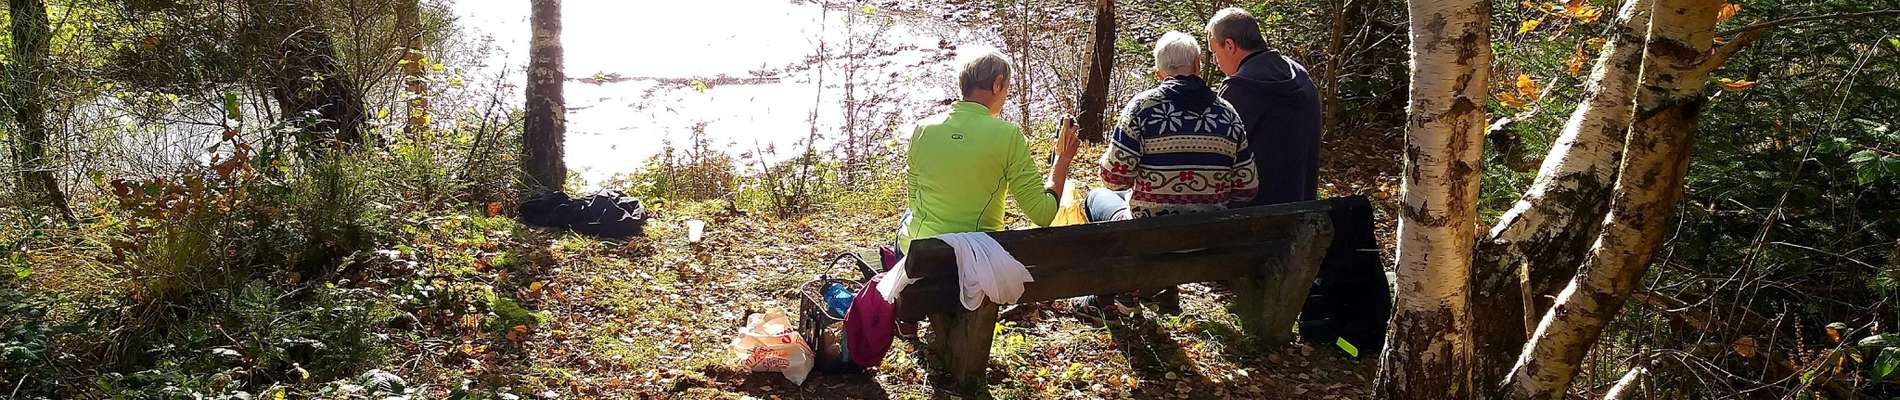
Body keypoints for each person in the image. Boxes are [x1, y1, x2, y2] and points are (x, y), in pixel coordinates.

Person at [1076, 31, 1258, 314]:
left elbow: (1114, 179)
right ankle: (1162, 292)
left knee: (1096, 198)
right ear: (1197, 66)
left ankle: (1111, 298)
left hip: (1148, 238)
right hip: (1207, 238)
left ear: (1159, 73)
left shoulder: (1142, 108)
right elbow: (1247, 188)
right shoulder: (1227, 114)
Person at [895, 47, 1081, 255]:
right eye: (1006, 88)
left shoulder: (922, 129)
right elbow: (1043, 213)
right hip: (976, 256)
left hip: (919, 253)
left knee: (908, 216)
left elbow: (914, 200)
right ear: (997, 84)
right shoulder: (1008, 136)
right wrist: (1062, 159)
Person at [1205, 7, 1322, 206]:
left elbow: (1214, 159)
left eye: (1215, 53)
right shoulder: (1300, 74)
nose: (1216, 62)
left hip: (1254, 215)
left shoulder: (1239, 89)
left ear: (1230, 45)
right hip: (1303, 206)